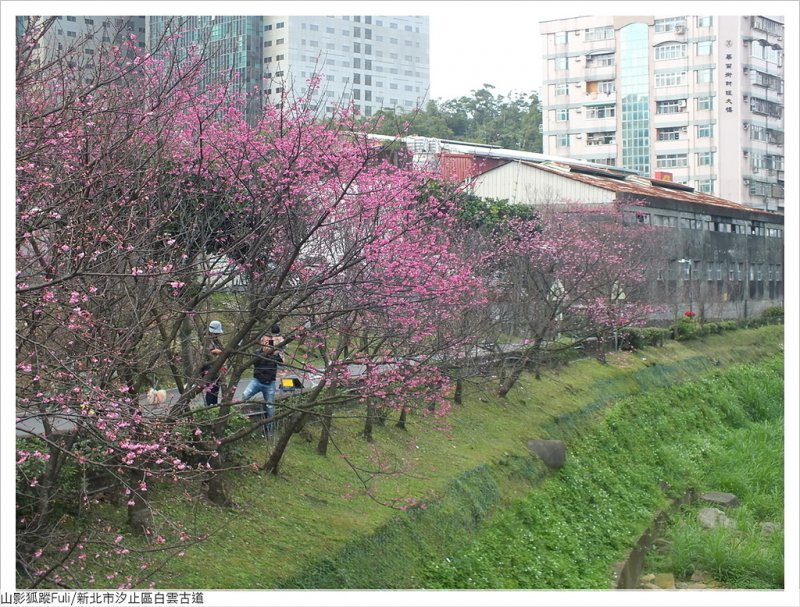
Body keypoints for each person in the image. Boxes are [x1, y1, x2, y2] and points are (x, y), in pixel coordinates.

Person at [242, 333, 284, 437]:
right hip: (257, 381)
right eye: (265, 341)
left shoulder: (274, 354)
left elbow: (282, 364)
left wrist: (276, 353)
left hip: (269, 384)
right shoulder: (257, 352)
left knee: (270, 408)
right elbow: (254, 363)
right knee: (244, 396)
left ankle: (269, 433)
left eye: (269, 342)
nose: (267, 344)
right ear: (261, 342)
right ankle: (240, 419)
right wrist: (264, 353)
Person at [200, 320, 225, 407]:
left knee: (215, 390)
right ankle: (210, 407)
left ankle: (214, 406)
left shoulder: (216, 341)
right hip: (208, 368)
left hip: (216, 368)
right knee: (211, 390)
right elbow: (204, 353)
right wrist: (215, 351)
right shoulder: (205, 340)